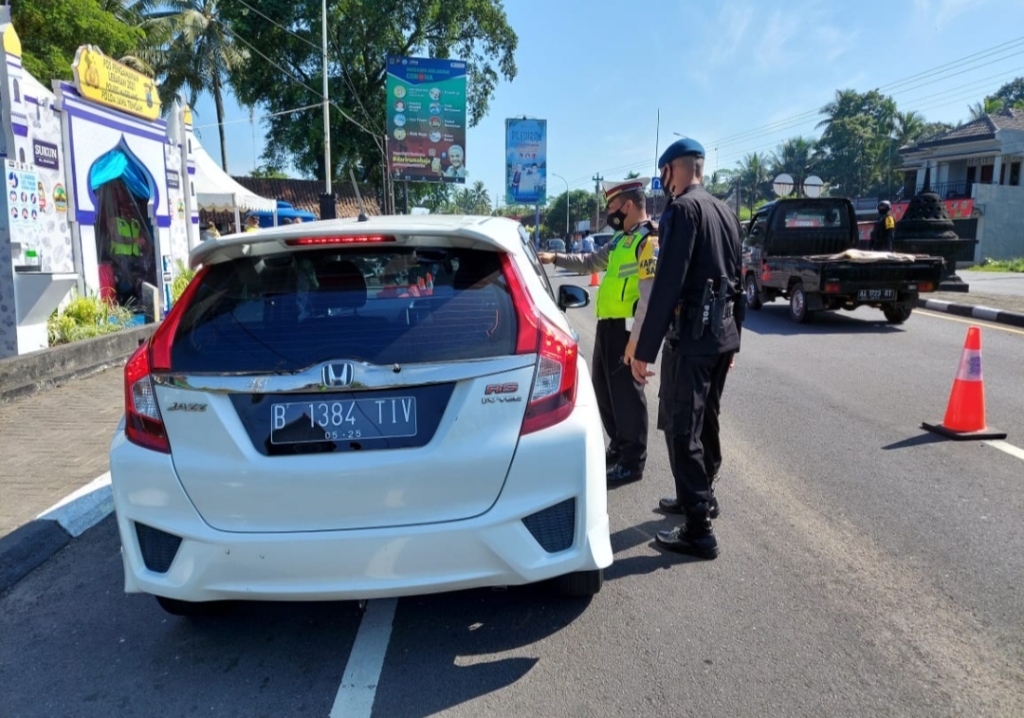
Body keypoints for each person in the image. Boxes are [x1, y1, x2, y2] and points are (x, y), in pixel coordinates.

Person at [630, 137, 744, 560]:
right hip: (720, 337)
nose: (663, 182)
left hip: (693, 337)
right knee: (706, 420)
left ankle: (699, 528)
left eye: (663, 173)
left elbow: (668, 284)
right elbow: (739, 280)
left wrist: (645, 349)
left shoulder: (681, 211)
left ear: (672, 170)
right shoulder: (725, 211)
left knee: (682, 428)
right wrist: (734, 341)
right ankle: (699, 495)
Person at [539, 178, 658, 485]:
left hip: (628, 330)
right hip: (608, 326)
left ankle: (633, 461)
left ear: (628, 205)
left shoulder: (649, 240)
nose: (610, 212)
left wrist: (638, 341)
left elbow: (649, 295)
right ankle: (618, 447)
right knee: (604, 391)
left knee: (627, 396)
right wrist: (556, 257)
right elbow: (590, 261)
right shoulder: (621, 240)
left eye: (612, 206)